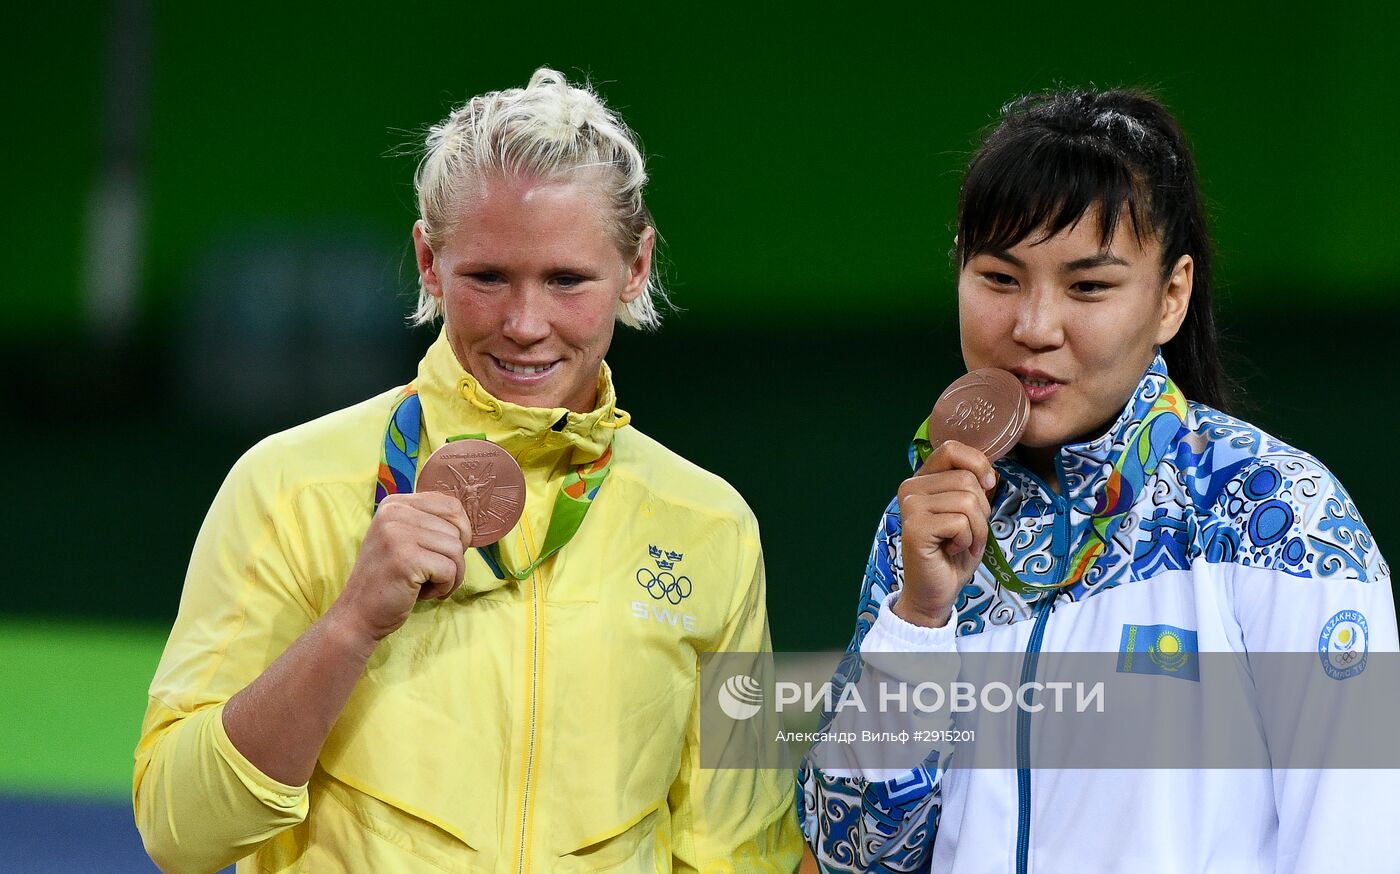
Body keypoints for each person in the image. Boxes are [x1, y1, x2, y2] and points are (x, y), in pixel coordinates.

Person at [134, 68, 802, 873]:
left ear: (636, 267)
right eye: (487, 278)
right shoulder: (288, 487)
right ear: (428, 259)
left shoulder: (711, 524)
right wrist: (349, 626)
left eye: (566, 280)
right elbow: (179, 831)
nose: (525, 324)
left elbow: (741, 850)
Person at [798, 89, 1397, 872]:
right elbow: (854, 856)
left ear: (1171, 297)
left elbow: (1355, 846)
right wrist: (917, 620)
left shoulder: (1278, 516)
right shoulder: (924, 529)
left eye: (1088, 287)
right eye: (999, 278)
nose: (1034, 327)